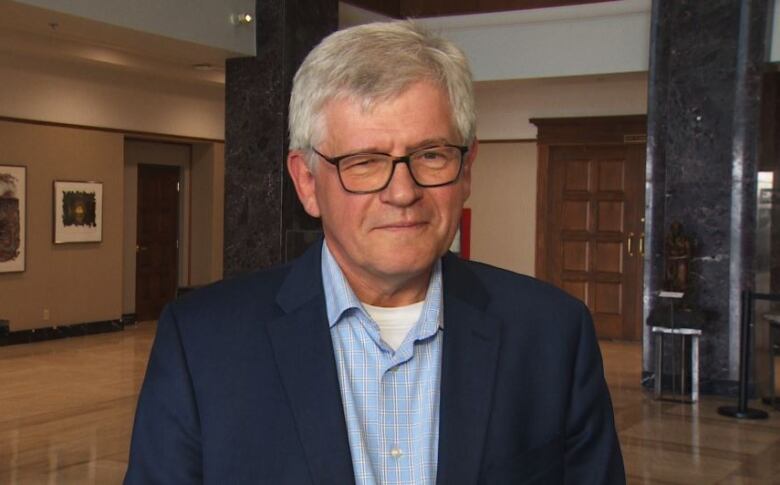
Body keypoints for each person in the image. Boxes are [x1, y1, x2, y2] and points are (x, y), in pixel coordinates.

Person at [125, 21, 625, 484]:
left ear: (467, 168)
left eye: (430, 155)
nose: (402, 192)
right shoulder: (202, 345)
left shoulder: (553, 335)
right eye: (364, 162)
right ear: (306, 182)